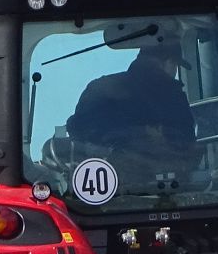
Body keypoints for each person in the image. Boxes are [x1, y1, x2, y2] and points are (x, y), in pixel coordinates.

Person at [67, 39, 198, 166]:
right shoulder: (172, 96)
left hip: (102, 183)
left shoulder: (99, 88)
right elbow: (188, 150)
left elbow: (76, 136)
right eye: (175, 66)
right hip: (169, 185)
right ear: (169, 62)